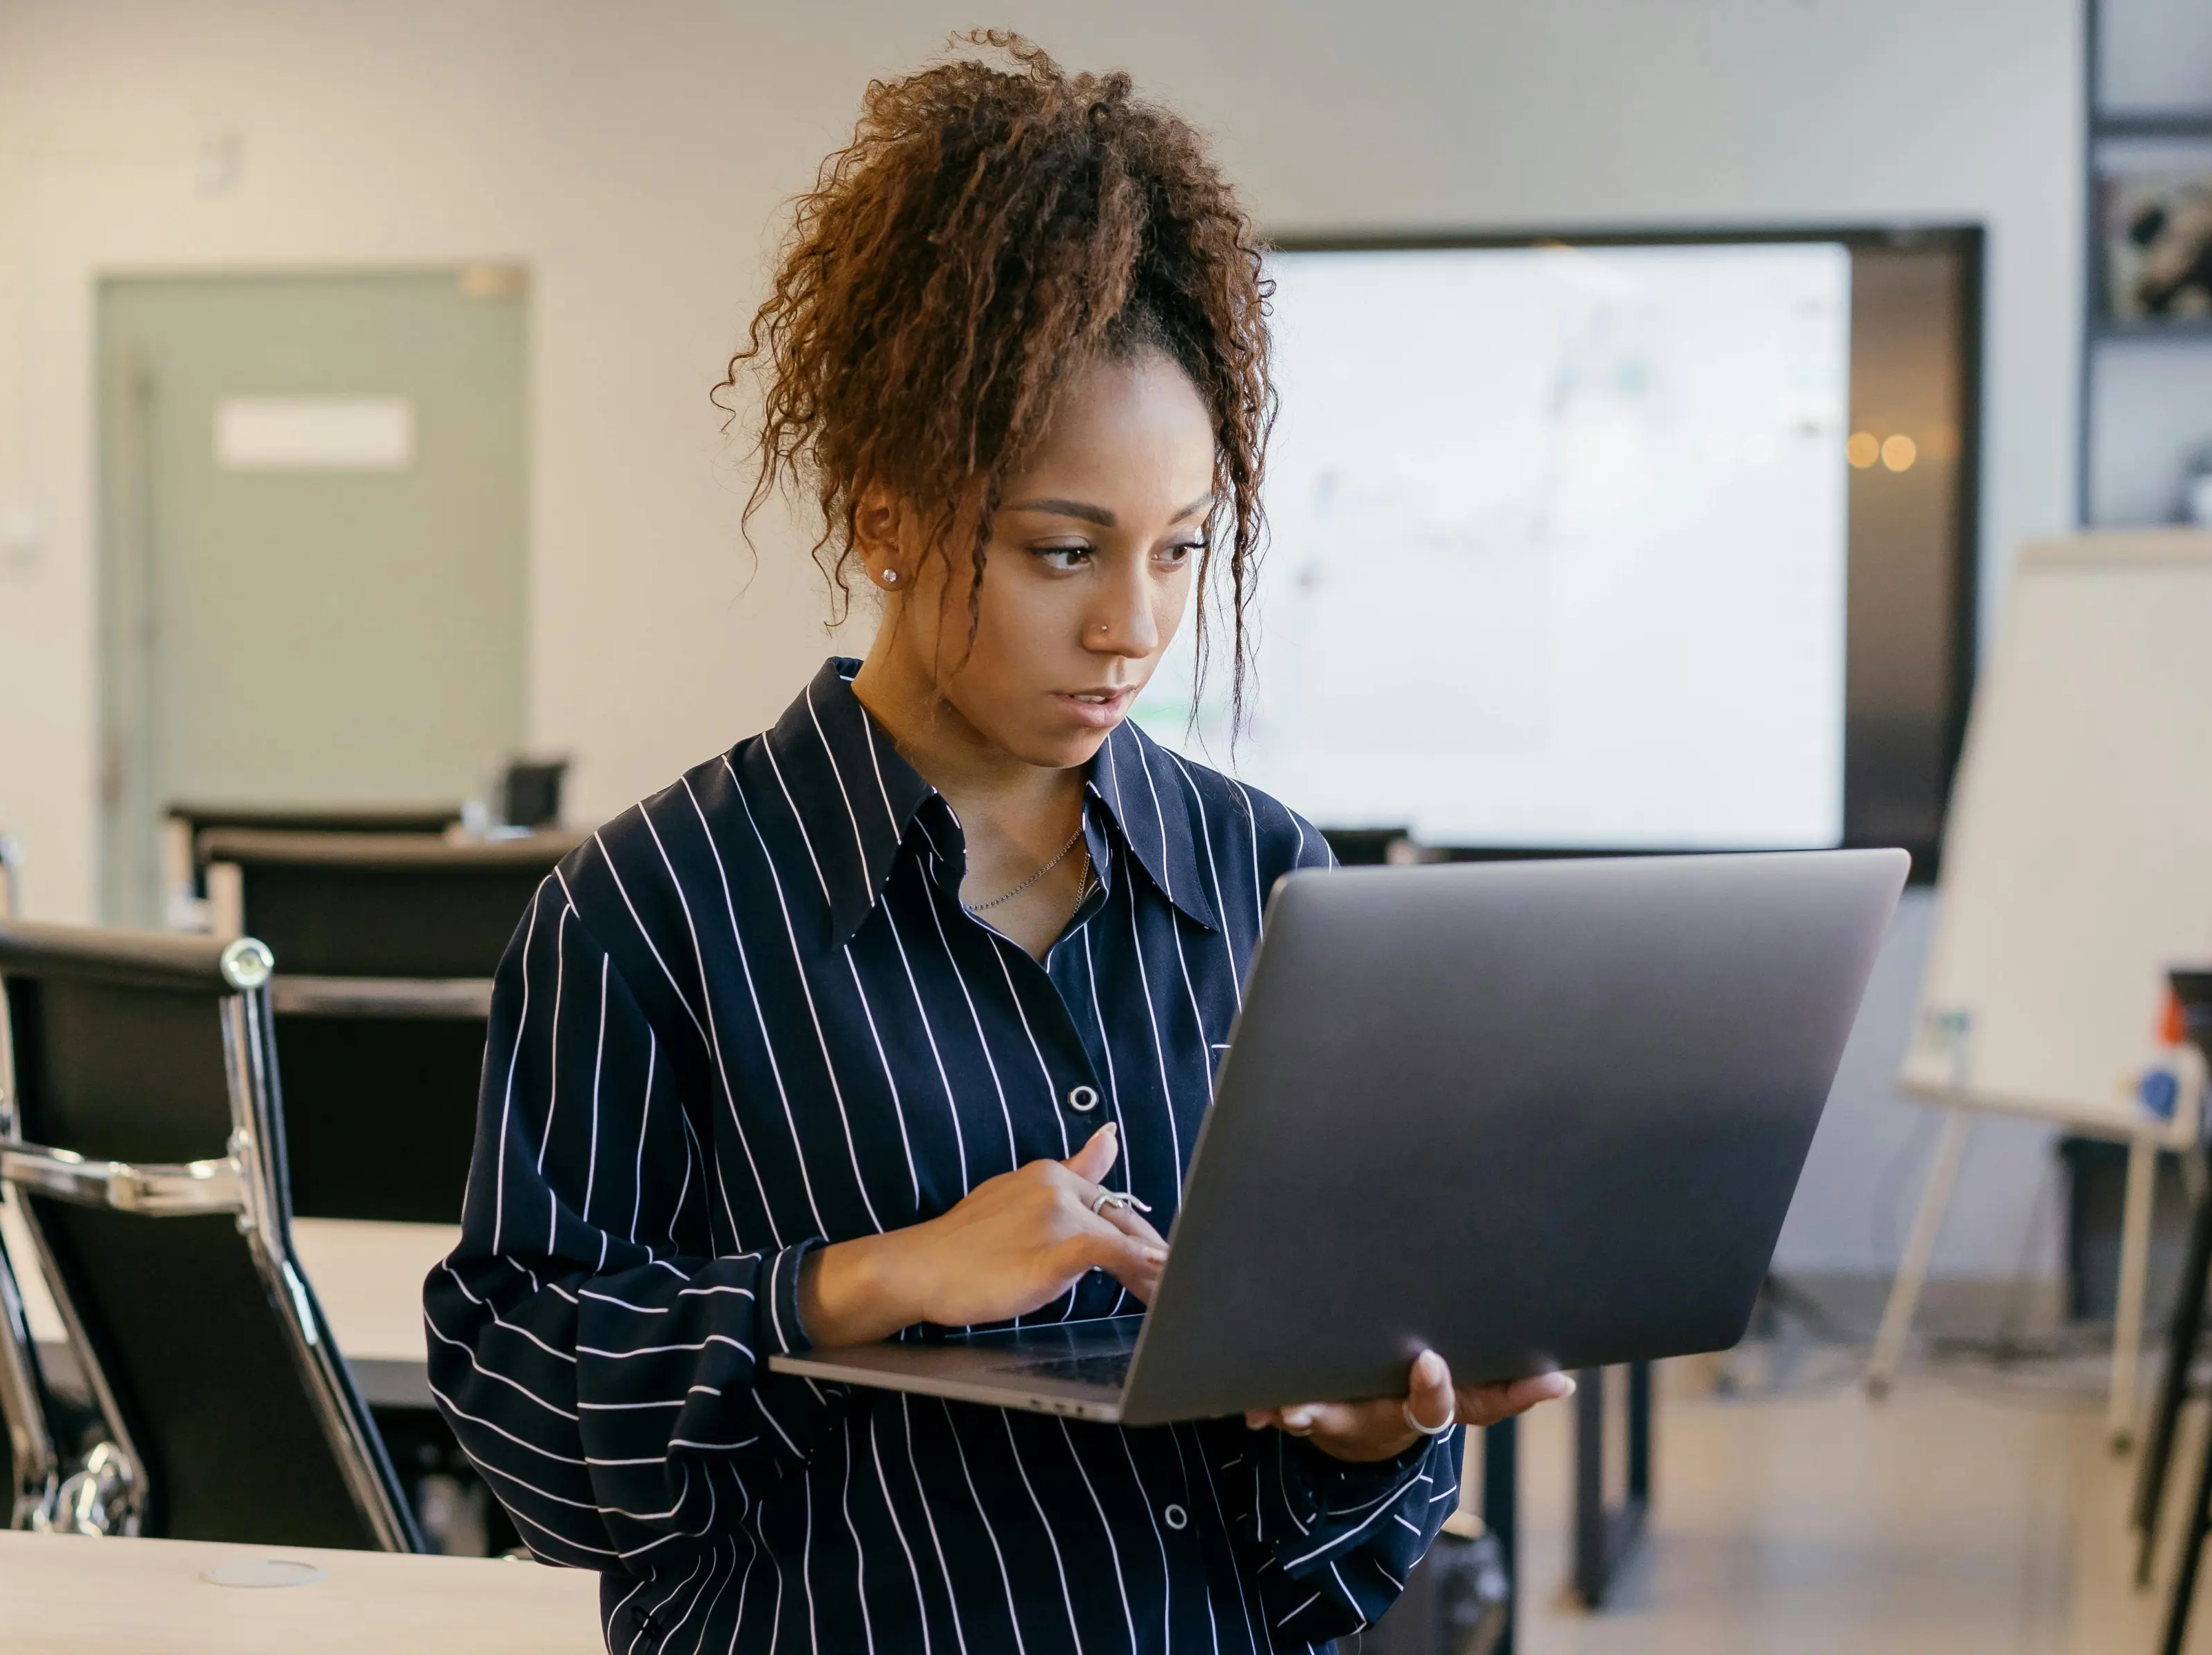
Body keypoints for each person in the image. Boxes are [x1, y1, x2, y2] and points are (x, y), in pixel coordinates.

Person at [425, 33, 1568, 1652]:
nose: (1132, 627)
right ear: (886, 516)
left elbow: (1327, 1566)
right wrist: (867, 1283)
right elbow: (522, 1425)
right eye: (1063, 551)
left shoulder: (1269, 885)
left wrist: (1371, 1441)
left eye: (1179, 551)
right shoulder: (650, 907)